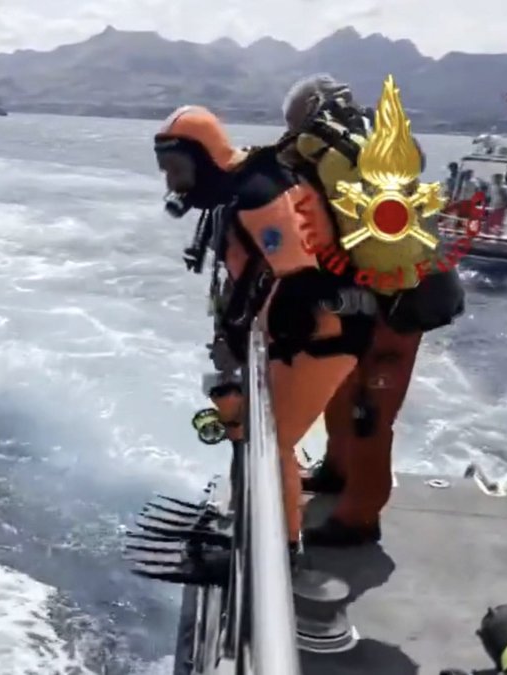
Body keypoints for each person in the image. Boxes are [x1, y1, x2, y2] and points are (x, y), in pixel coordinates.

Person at [156, 104, 375, 555]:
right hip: (302, 336)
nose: (172, 183)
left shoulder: (259, 194)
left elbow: (299, 286)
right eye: (167, 170)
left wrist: (246, 343)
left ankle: (279, 549)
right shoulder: (242, 187)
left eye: (178, 168)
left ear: (205, 157)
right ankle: (252, 519)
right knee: (253, 429)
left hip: (323, 338)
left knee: (272, 444)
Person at [277, 75, 465, 547]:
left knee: (370, 413)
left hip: (404, 300)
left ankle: (360, 519)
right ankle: (337, 473)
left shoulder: (319, 155)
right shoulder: (372, 140)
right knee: (345, 390)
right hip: (390, 289)